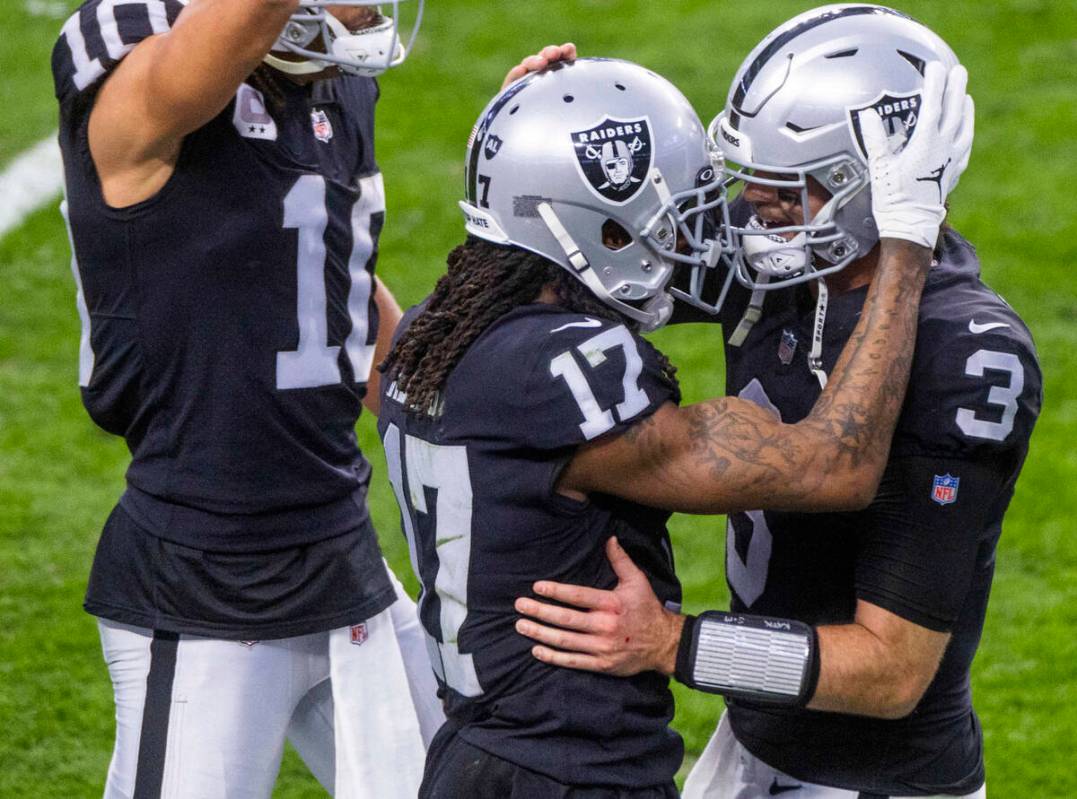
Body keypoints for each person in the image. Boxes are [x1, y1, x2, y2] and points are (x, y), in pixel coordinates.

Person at [376, 54, 966, 798]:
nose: (689, 240)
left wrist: (523, 142)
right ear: (594, 228)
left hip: (476, 748)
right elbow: (832, 467)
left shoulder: (438, 330)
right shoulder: (566, 373)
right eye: (663, 221)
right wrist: (905, 244)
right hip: (571, 772)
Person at [513, 7, 1041, 799]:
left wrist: (672, 643)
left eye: (794, 184)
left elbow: (892, 670)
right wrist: (538, 146)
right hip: (753, 733)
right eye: (754, 172)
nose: (756, 199)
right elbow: (585, 263)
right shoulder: (784, 252)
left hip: (873, 779)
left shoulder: (968, 356)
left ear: (882, 187)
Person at [51, 1, 572, 796]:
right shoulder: (131, 56)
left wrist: (519, 155)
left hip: (340, 560)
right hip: (203, 583)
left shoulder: (334, 88)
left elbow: (339, 295)